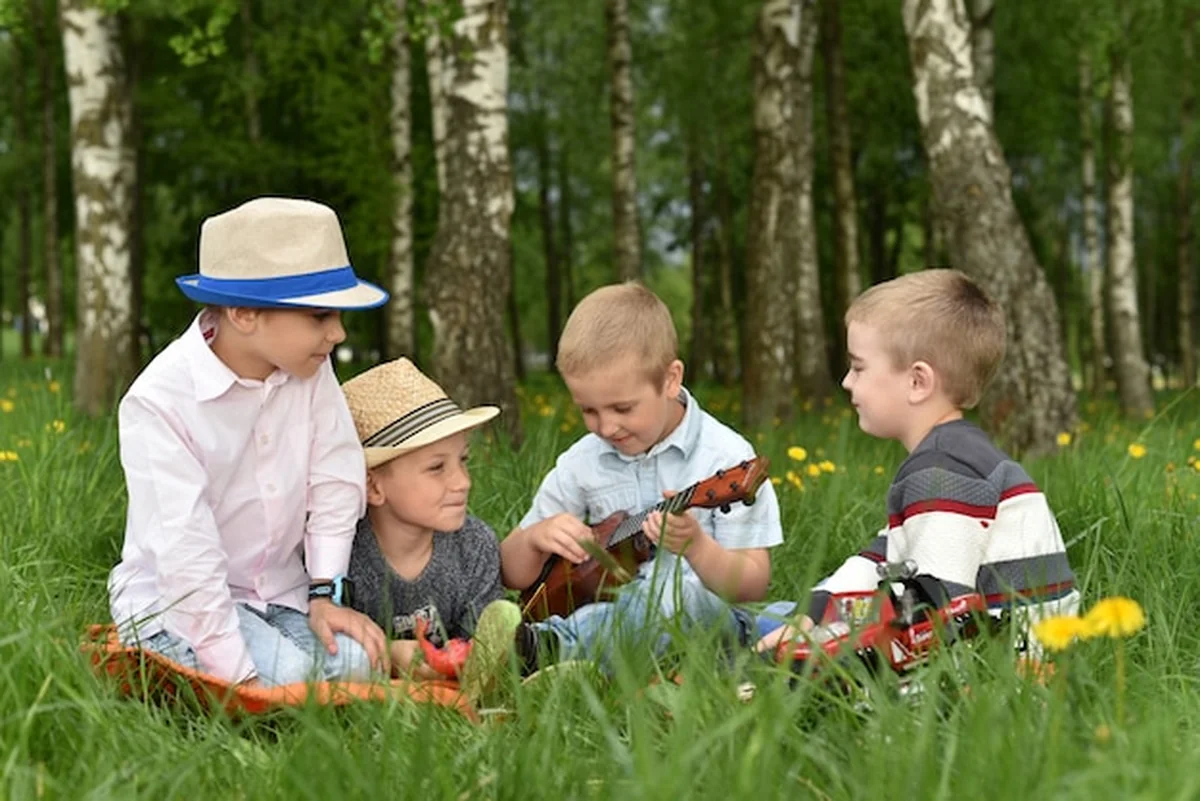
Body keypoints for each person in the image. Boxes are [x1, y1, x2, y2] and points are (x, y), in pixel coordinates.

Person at [109, 197, 391, 687]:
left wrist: (324, 596)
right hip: (178, 602)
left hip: (276, 596)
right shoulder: (158, 403)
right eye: (320, 315)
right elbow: (185, 552)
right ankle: (164, 659)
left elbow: (333, 476)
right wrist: (237, 679)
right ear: (243, 312)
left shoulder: (310, 371)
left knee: (357, 665)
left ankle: (276, 667)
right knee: (292, 682)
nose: (338, 333)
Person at [756, 269, 1079, 656]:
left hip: (999, 671)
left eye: (858, 367)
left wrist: (819, 642)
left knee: (770, 632)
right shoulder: (956, 457)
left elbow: (932, 611)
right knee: (784, 616)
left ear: (917, 382)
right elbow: (882, 557)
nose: (846, 382)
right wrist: (813, 613)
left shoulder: (944, 472)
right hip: (1001, 646)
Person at [500, 282, 783, 670]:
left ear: (670, 380)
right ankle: (562, 652)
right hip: (608, 613)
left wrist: (697, 547)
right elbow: (512, 573)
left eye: (622, 408)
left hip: (703, 619)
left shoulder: (726, 458)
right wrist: (536, 538)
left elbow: (752, 584)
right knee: (626, 605)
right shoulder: (582, 461)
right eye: (588, 411)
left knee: (675, 595)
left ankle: (549, 652)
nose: (606, 427)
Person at [341, 357, 521, 700]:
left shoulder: (474, 545)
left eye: (463, 460)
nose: (463, 482)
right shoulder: (343, 556)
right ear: (373, 486)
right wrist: (390, 654)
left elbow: (480, 639)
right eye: (437, 467)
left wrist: (465, 660)